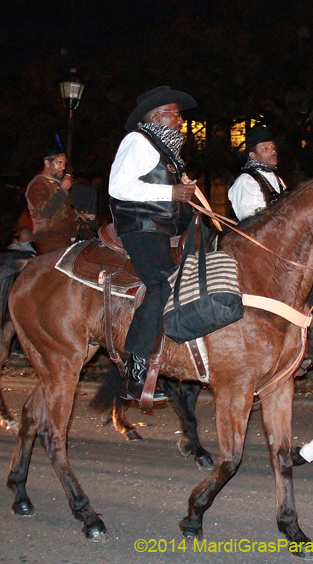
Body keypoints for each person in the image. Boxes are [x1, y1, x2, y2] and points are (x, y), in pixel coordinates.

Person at [108, 86, 197, 401]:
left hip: (163, 227)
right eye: (176, 112)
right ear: (158, 115)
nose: (181, 119)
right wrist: (171, 193)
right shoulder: (138, 141)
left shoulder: (168, 154)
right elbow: (118, 186)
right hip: (141, 227)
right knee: (162, 285)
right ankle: (135, 372)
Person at [25, 145, 94, 252]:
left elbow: (60, 211)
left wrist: (77, 216)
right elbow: (46, 212)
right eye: (59, 163)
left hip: (66, 237)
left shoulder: (57, 183)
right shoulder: (38, 185)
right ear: (47, 163)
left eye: (64, 163)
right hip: (49, 236)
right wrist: (63, 190)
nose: (63, 167)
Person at [227, 124, 286, 221]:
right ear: (253, 155)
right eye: (265, 148)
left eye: (273, 147)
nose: (272, 151)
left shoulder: (277, 179)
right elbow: (250, 220)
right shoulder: (246, 180)